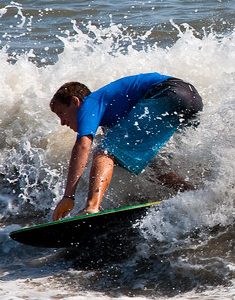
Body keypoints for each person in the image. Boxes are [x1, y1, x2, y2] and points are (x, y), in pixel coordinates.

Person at [48, 73, 203, 221]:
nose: (62, 122)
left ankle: (91, 207)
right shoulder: (111, 113)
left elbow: (82, 147)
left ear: (75, 102)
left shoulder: (89, 103)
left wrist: (68, 196)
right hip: (191, 98)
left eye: (62, 113)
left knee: (105, 152)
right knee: (151, 165)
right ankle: (196, 194)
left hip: (167, 92)